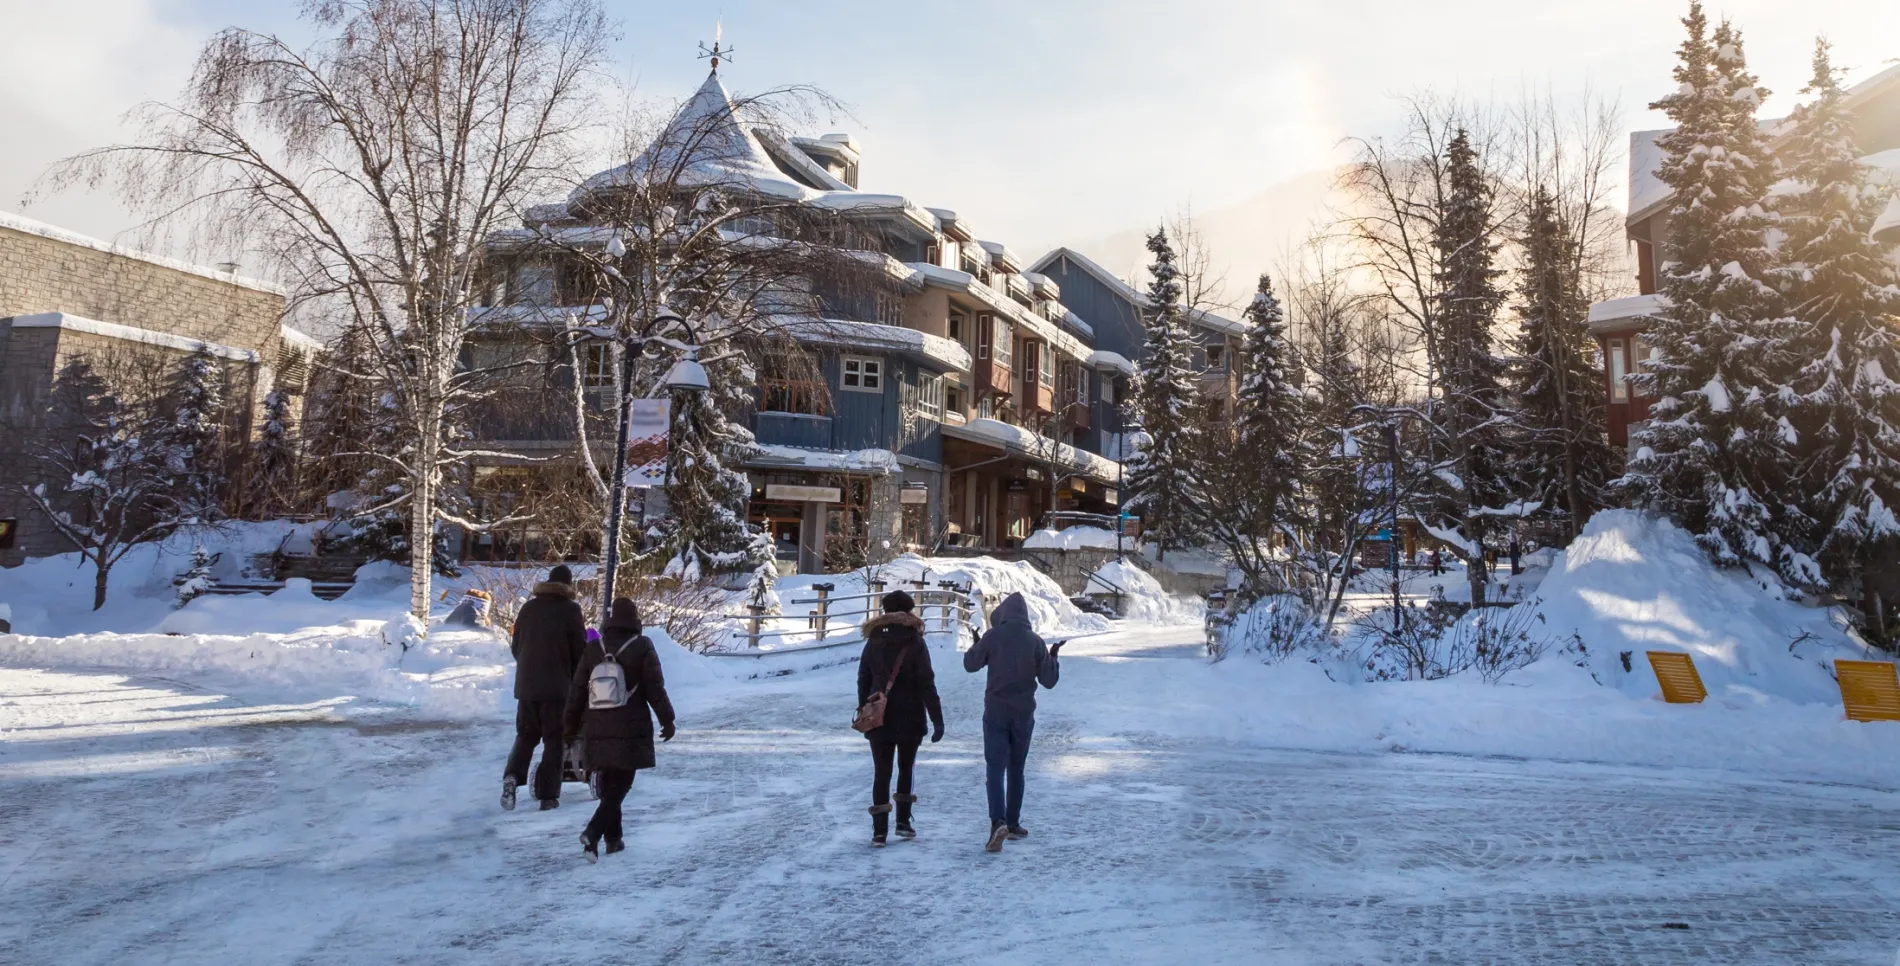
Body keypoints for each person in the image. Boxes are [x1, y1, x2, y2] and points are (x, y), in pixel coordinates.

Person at [564, 597, 675, 863]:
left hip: (597, 725)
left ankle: (613, 840)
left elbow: (577, 690)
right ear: (635, 619)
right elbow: (655, 689)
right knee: (621, 785)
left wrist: (569, 727)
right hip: (630, 725)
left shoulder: (593, 648)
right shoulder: (642, 646)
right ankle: (592, 832)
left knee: (611, 783)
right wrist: (667, 720)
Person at [963, 592, 1061, 853]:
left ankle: (998, 822)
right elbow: (1049, 681)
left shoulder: (993, 637)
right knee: (1017, 768)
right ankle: (1014, 822)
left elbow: (970, 665)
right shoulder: (1035, 641)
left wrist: (976, 645)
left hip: (995, 711)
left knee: (995, 767)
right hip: (1024, 714)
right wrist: (1053, 658)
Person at [856, 590, 945, 848]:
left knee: (881, 771)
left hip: (879, 716)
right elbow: (927, 682)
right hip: (911, 715)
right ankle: (903, 823)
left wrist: (865, 707)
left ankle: (879, 831)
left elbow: (863, 678)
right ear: (908, 611)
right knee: (907, 767)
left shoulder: (873, 640)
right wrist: (937, 719)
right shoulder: (915, 641)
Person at [503, 564, 586, 812]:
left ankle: (511, 777)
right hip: (557, 690)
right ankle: (548, 796)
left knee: (526, 736)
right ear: (569, 586)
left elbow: (516, 647)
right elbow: (579, 652)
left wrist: (529, 669)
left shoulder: (528, 608)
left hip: (526, 688)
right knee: (554, 740)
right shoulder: (571, 610)